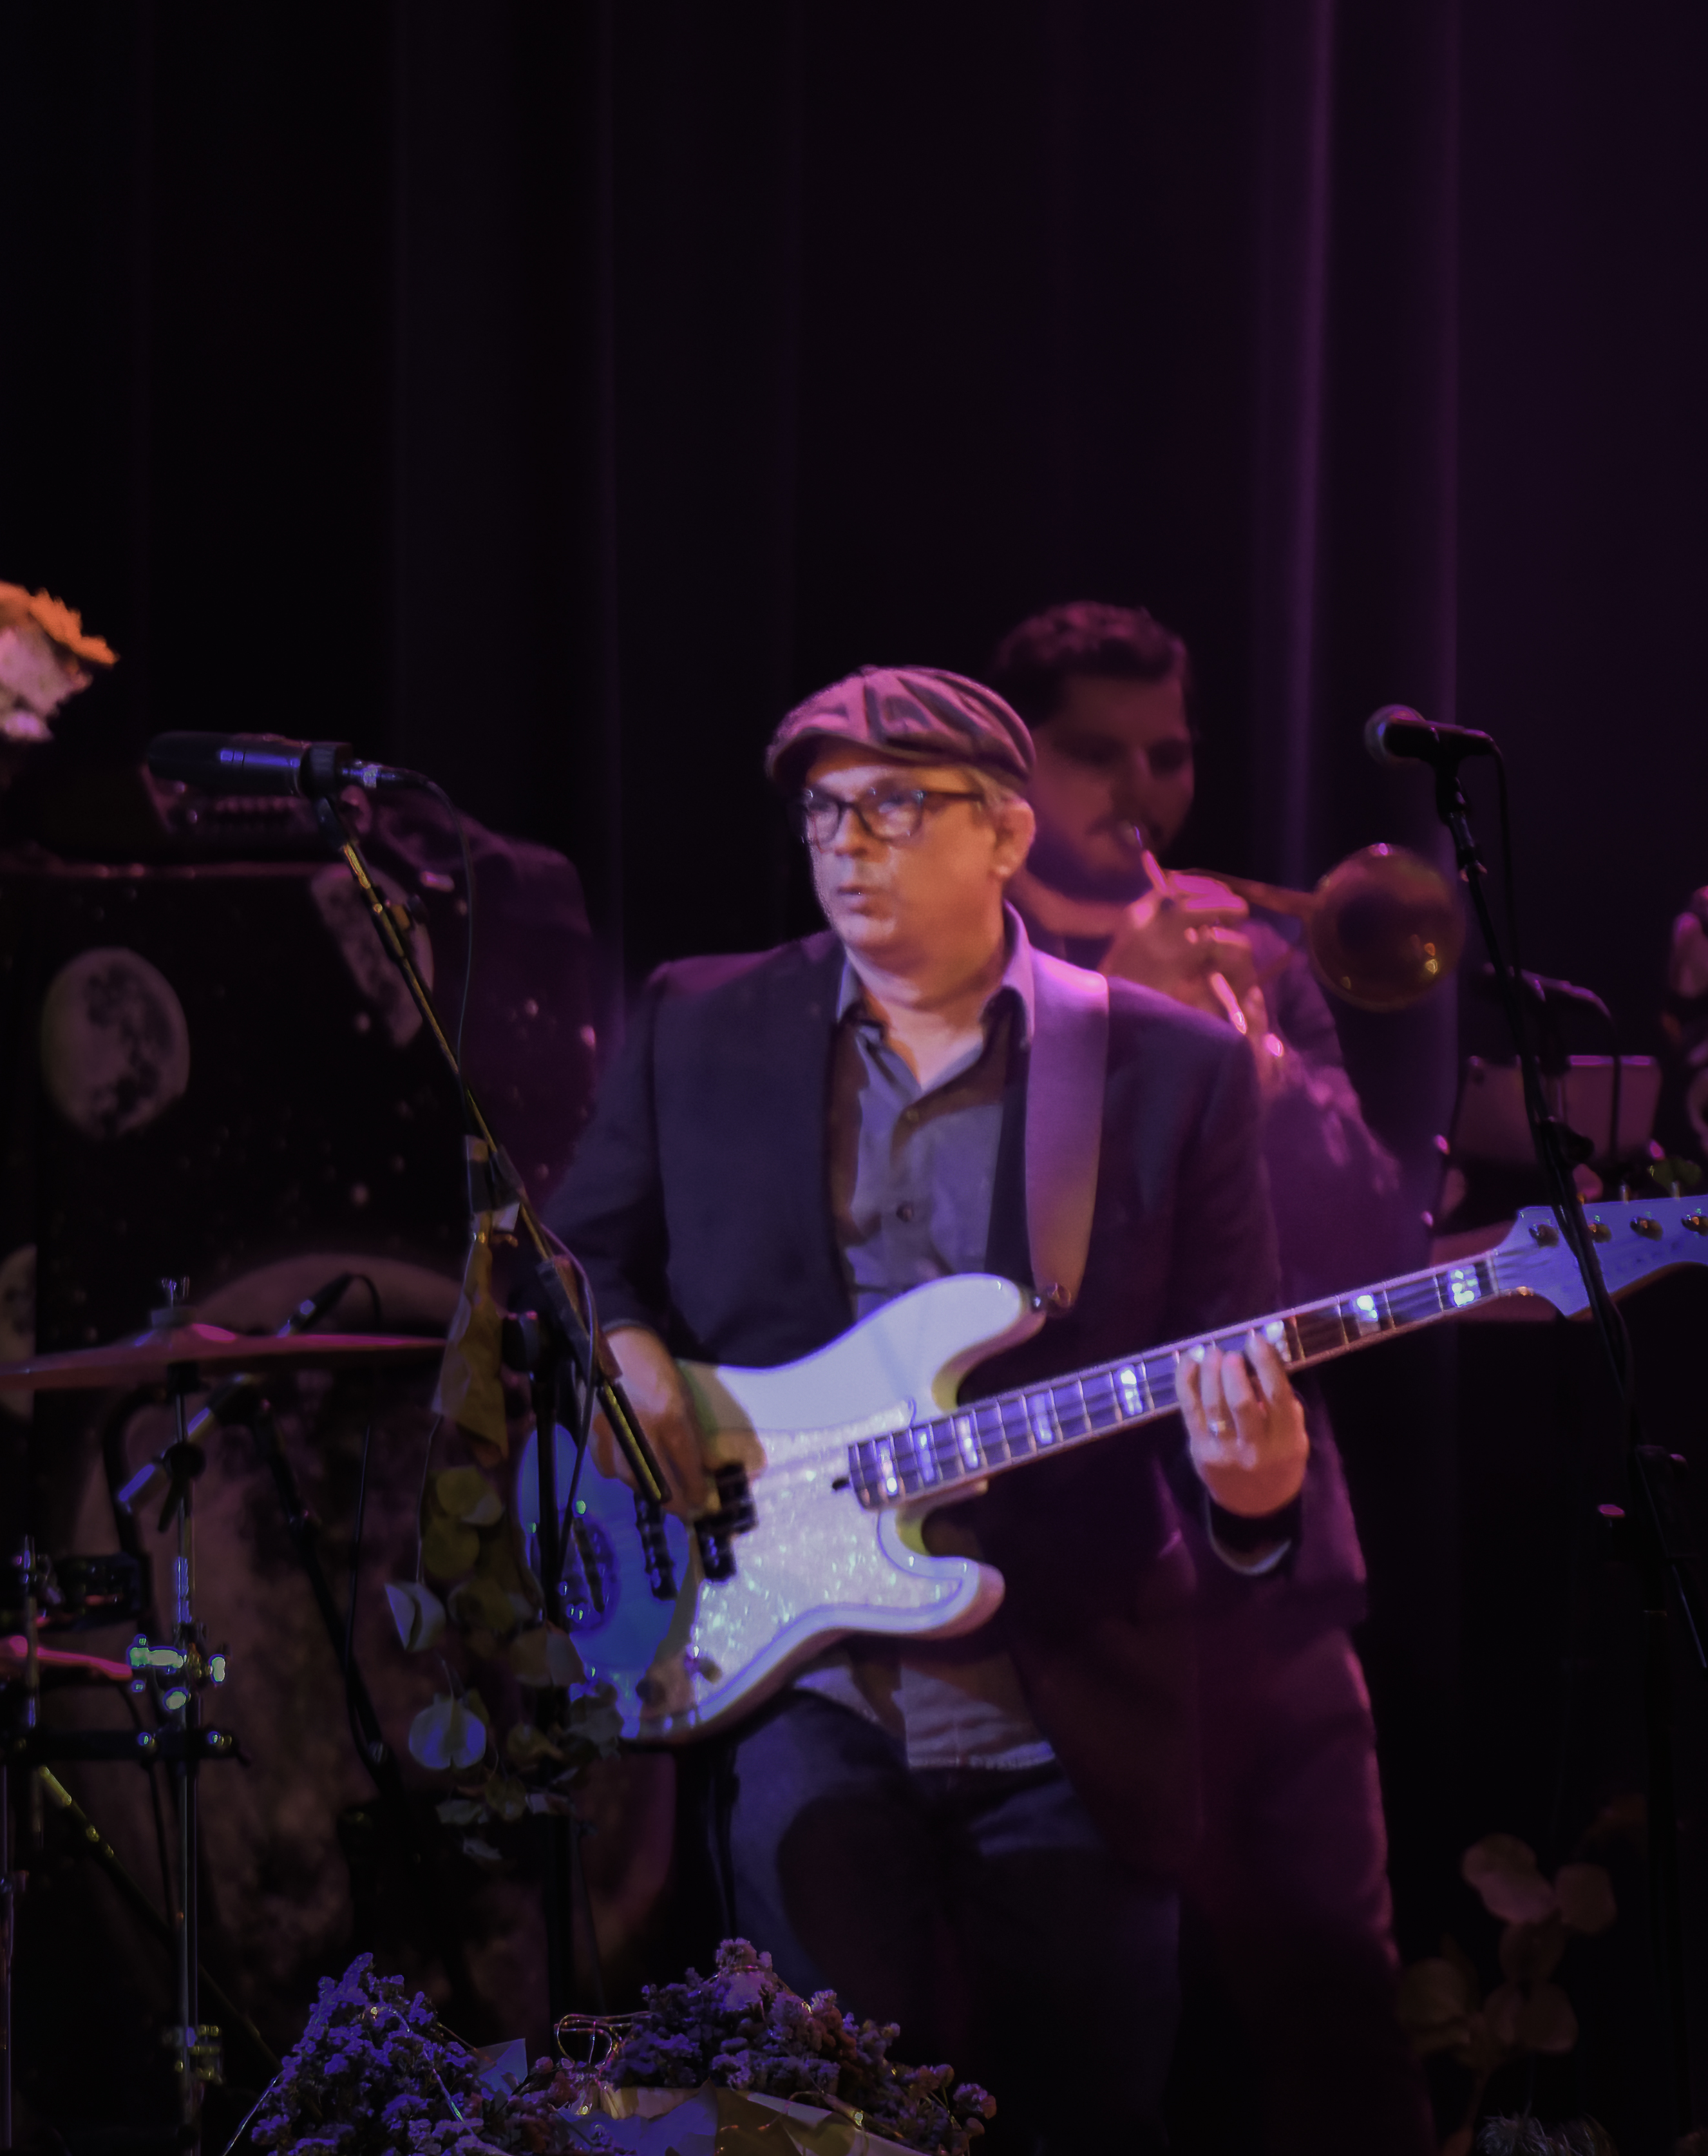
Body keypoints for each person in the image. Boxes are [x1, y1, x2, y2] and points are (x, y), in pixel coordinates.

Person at [553, 666, 1305, 2155]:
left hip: (1069, 1703)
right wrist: (629, 1357)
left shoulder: (1169, 1070)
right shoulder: (698, 1021)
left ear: (1007, 836)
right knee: (835, 2126)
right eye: (824, 810)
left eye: (894, 804)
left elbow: (1234, 1368)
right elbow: (576, 1253)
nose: (845, 841)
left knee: (1087, 2117)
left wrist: (1256, 1490)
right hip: (794, 1682)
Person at [986, 603, 1430, 2155]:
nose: (1141, 794)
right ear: (1016, 760)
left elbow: (1373, 1246)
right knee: (1069, 2040)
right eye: (1095, 754)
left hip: (1275, 1568)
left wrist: (1269, 1070)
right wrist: (1128, 1014)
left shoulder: (1260, 962)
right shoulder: (968, 961)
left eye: (1167, 756)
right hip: (1062, 1587)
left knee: (1337, 2013)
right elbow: (999, 1284)